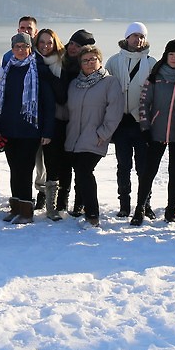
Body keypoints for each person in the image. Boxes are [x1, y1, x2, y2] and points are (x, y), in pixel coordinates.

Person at [0, 33, 56, 224]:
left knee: (25, 169)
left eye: (24, 46)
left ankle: (26, 211)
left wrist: (47, 131)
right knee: (14, 168)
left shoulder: (39, 70)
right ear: (12, 49)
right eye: (17, 47)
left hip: (30, 129)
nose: (20, 50)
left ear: (30, 49)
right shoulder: (7, 70)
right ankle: (16, 207)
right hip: (9, 129)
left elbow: (49, 104)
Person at [64, 45, 125, 228]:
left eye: (93, 59)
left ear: (100, 60)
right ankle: (79, 206)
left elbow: (115, 111)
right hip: (74, 136)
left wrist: (103, 133)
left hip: (95, 136)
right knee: (78, 170)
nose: (90, 63)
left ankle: (92, 214)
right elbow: (67, 110)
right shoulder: (74, 84)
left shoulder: (110, 82)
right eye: (85, 60)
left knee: (84, 170)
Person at [104, 22, 156, 217]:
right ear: (127, 37)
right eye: (134, 35)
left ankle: (145, 203)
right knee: (123, 166)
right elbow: (105, 89)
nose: (138, 39)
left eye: (141, 36)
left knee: (144, 167)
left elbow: (156, 93)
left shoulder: (151, 63)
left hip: (142, 122)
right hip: (121, 122)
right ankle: (124, 204)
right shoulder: (114, 61)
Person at [137, 39, 175, 224]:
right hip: (156, 131)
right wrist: (145, 127)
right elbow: (144, 103)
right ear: (166, 55)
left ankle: (170, 209)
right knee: (149, 171)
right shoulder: (155, 76)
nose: (174, 58)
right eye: (171, 54)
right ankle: (140, 207)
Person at [61, 29, 96, 216]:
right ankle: (62, 201)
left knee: (81, 166)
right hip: (62, 119)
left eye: (78, 46)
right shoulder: (61, 61)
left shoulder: (86, 70)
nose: (73, 48)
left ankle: (79, 202)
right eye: (72, 43)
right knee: (64, 163)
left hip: (81, 121)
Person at [36, 28, 71, 219]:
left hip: (58, 119)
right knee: (37, 162)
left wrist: (48, 76)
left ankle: (58, 204)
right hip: (35, 119)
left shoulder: (62, 63)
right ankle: (41, 199)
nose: (45, 46)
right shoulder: (32, 61)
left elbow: (62, 95)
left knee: (57, 161)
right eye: (42, 42)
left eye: (49, 42)